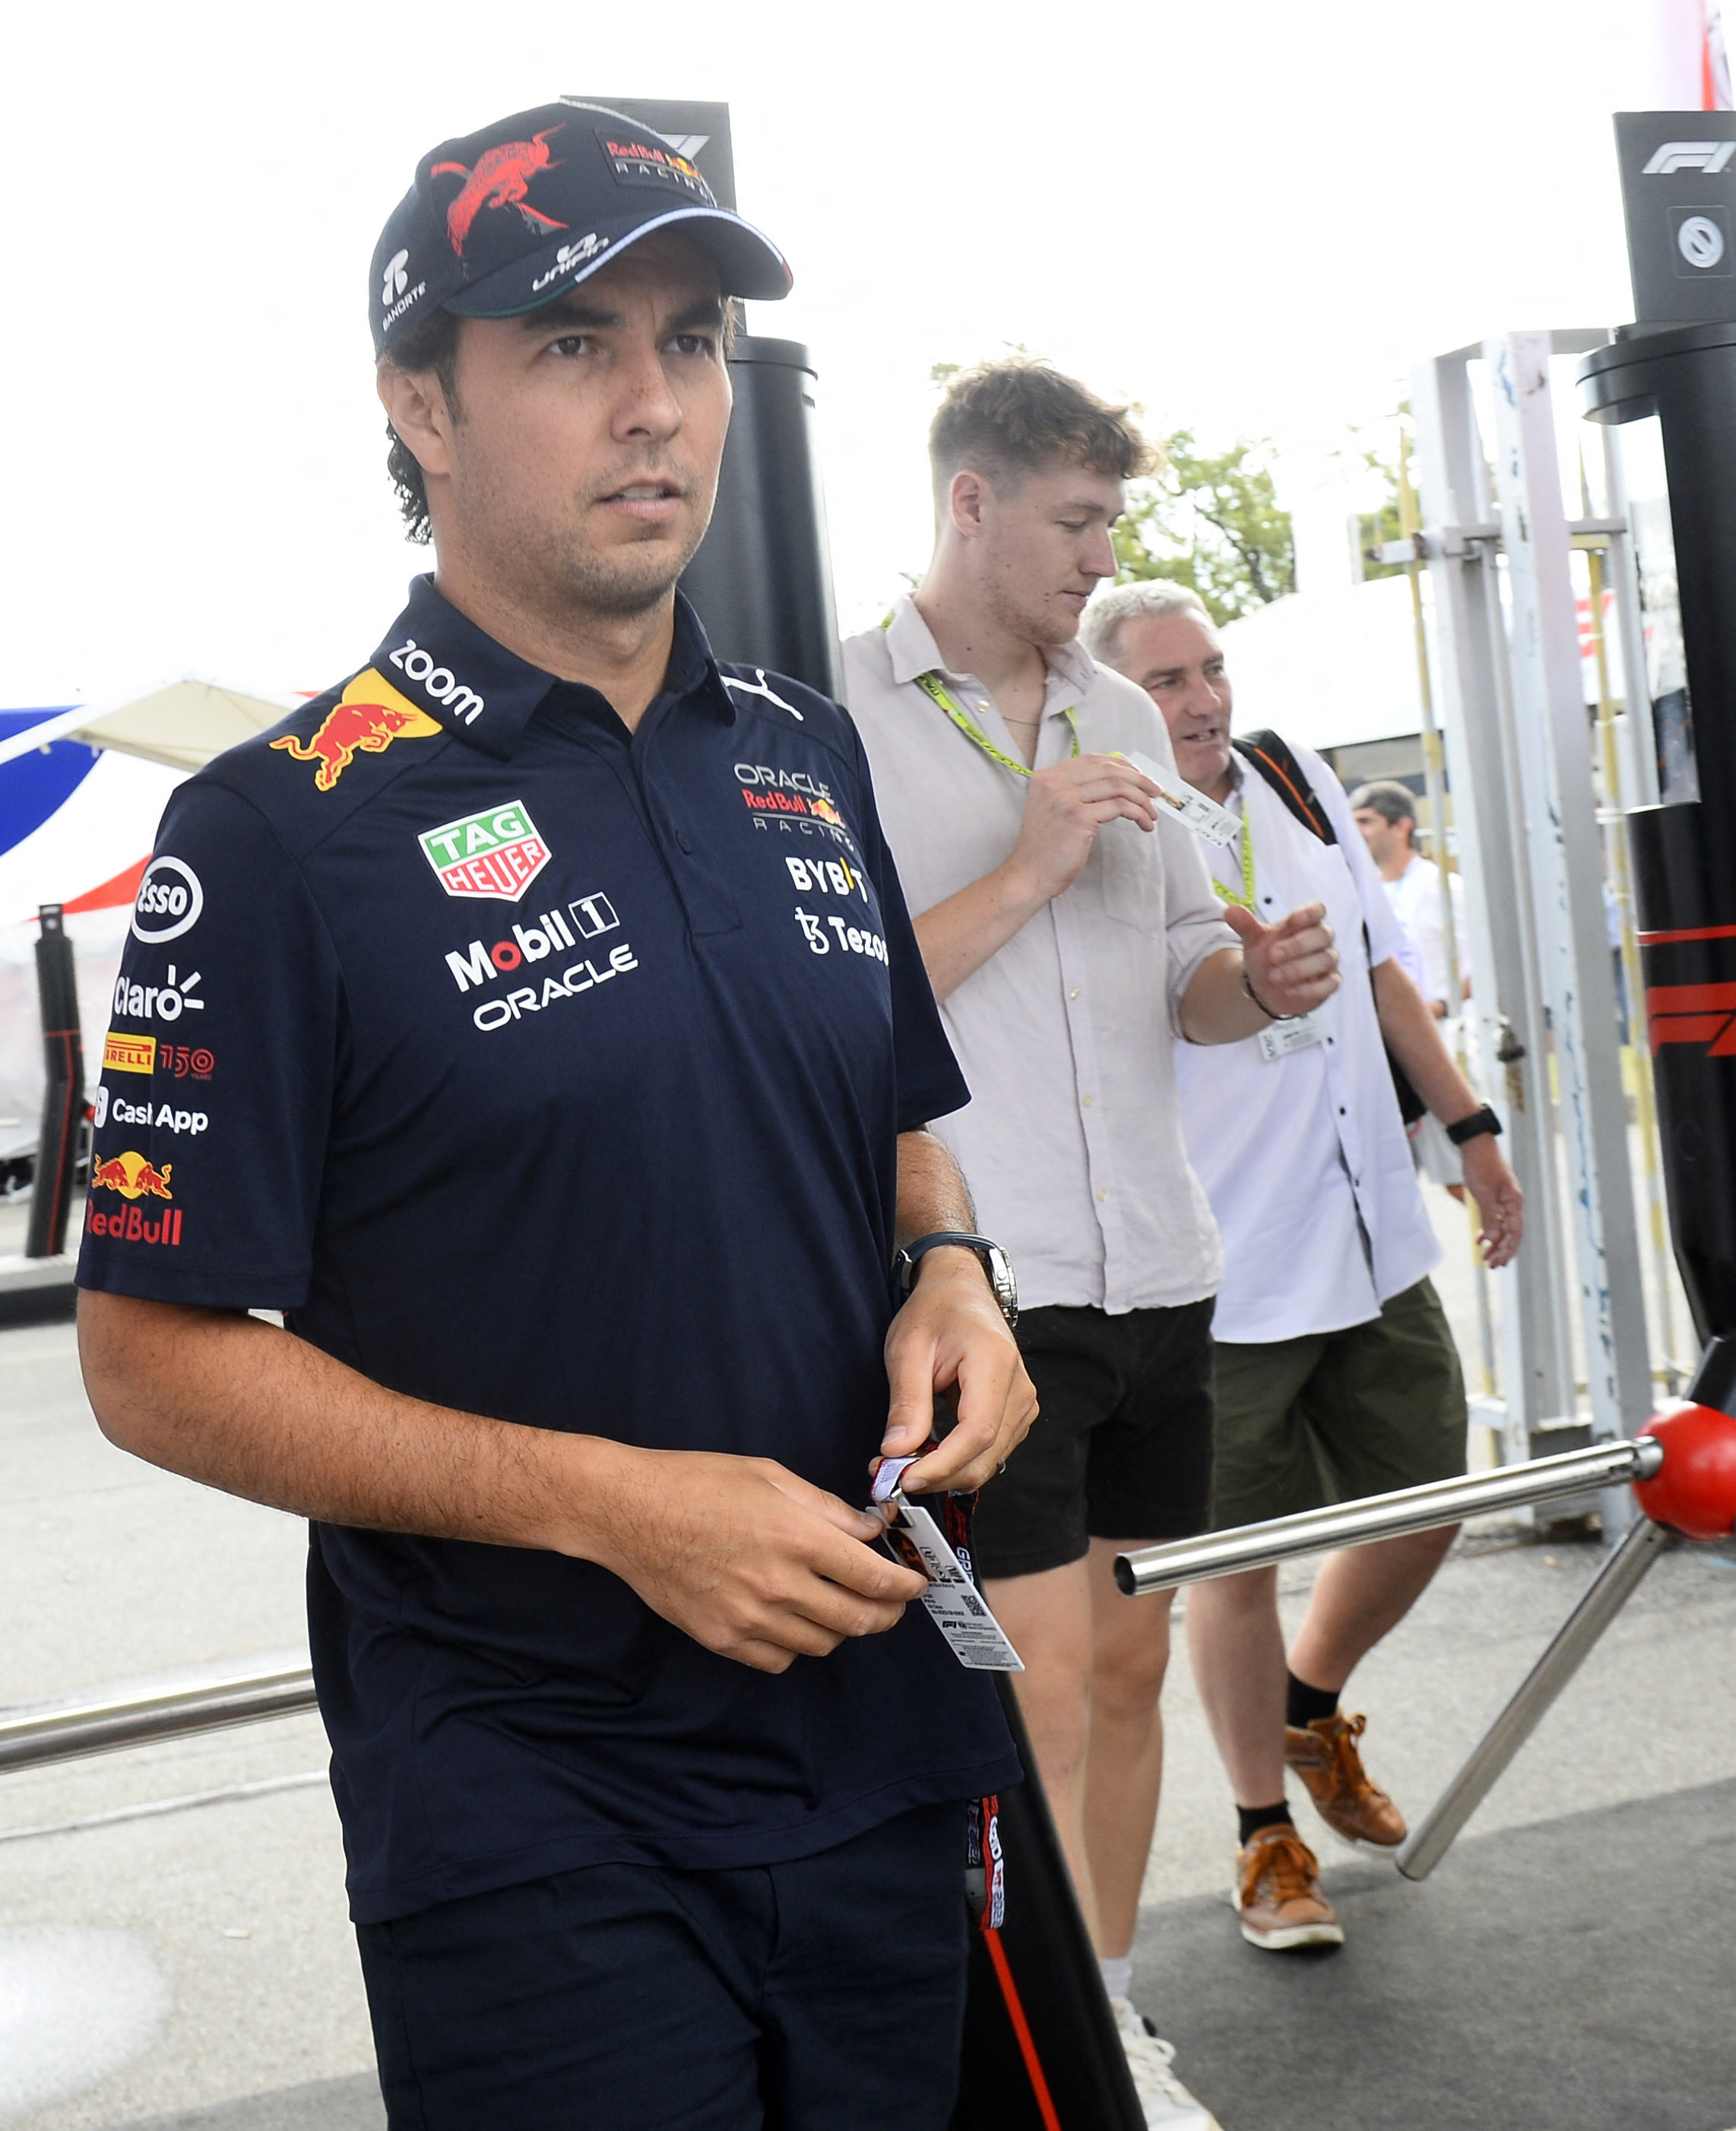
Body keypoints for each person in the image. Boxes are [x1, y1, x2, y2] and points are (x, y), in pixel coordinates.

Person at [74, 103, 1037, 2129]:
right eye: (572, 345)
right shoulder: (274, 828)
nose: (654, 408)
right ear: (418, 400)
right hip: (532, 1813)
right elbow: (150, 1362)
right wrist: (612, 1503)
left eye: (687, 344)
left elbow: (888, 1124)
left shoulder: (799, 751)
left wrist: (951, 1269)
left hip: (866, 1743)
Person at [844, 358, 1340, 2127]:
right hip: (993, 1275)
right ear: (966, 501)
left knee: (1126, 1663)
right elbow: (839, 1014)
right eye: (1069, 524)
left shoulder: (1120, 715)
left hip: (1160, 1262)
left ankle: (1108, 2013)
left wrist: (1253, 984)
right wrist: (1030, 865)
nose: (1091, 560)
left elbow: (1178, 994)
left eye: (1108, 527)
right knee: (1038, 1687)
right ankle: (1037, 2050)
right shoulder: (831, 712)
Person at [1085, 579, 1523, 1951]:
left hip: (1371, 1229)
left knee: (1430, 1489)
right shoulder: (1106, 832)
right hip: (1225, 1263)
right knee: (1234, 1562)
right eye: (1165, 680)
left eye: (1208, 667)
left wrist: (1471, 1133)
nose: (1203, 698)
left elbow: (1388, 973)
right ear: (1108, 700)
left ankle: (1307, 1695)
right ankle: (1260, 1830)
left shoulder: (1294, 774)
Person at [1347, 780, 1465, 1018]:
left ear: (1401, 827)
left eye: (1365, 821)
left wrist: (1439, 1008)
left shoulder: (1444, 888)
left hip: (1452, 1038)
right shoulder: (1362, 895)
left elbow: (1483, 967)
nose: (1355, 832)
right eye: (1352, 823)